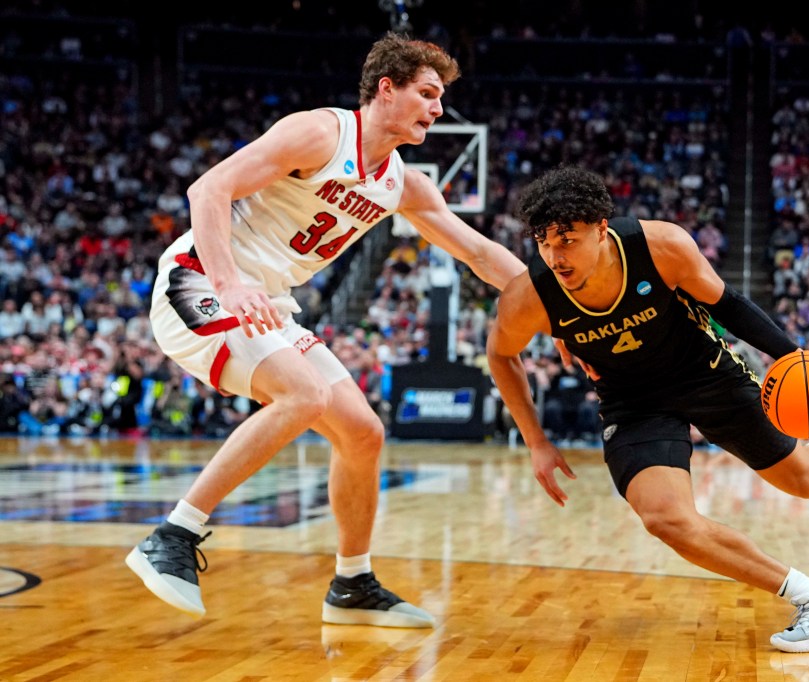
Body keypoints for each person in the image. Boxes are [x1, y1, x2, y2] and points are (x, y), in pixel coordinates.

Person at [126, 32, 526, 626]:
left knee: (362, 433)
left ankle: (353, 584)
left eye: (440, 97)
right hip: (203, 279)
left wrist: (563, 309)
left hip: (269, 304)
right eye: (427, 93)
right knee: (305, 395)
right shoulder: (318, 132)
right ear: (385, 90)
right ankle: (172, 535)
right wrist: (230, 281)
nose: (438, 109)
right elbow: (207, 188)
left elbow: (481, 255)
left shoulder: (403, 184)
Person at [486, 166, 809, 654]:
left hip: (705, 372)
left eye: (566, 239)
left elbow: (728, 304)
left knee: (801, 482)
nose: (554, 255)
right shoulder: (532, 295)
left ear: (601, 229)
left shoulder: (661, 247)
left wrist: (793, 354)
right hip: (631, 401)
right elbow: (501, 354)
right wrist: (537, 442)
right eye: (543, 243)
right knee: (664, 518)